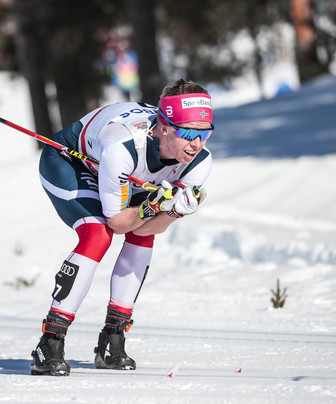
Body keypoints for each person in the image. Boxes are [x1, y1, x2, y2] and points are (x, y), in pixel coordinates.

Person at [30, 79, 214, 376]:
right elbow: (116, 223)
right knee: (97, 233)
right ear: (164, 126)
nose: (196, 144)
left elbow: (146, 229)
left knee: (142, 238)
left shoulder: (199, 161)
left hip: (126, 174)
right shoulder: (124, 147)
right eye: (188, 133)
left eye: (205, 134)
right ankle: (49, 342)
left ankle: (112, 338)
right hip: (71, 161)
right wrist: (153, 206)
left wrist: (175, 212)